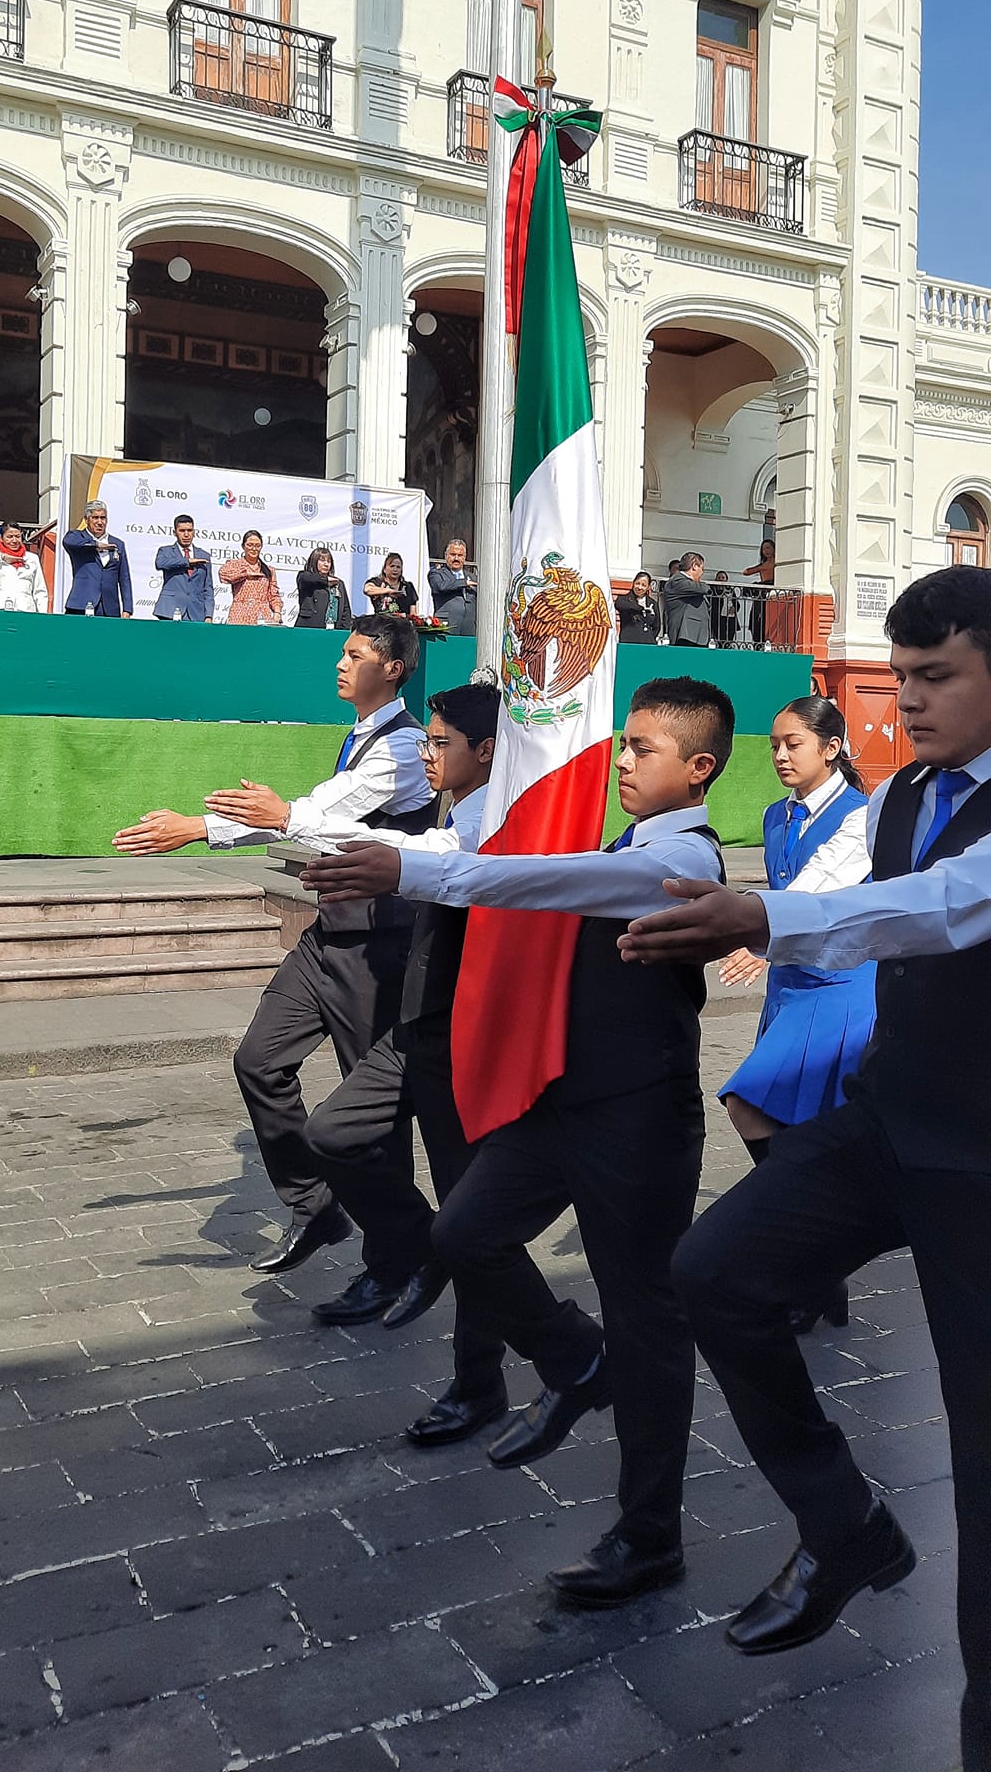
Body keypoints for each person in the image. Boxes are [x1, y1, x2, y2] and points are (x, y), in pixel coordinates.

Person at [619, 566, 991, 1772]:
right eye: (904, 676)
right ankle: (844, 1526)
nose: (911, 701)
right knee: (713, 1268)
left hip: (983, 1164)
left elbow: (941, 909)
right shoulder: (907, 795)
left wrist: (762, 917)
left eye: (938, 676)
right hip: (887, 1123)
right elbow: (900, 924)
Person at [309, 679, 734, 1609]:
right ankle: (577, 1360)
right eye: (620, 745)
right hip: (560, 1106)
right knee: (461, 1236)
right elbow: (518, 856)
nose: (622, 763)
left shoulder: (682, 864)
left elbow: (528, 880)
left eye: (645, 751)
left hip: (639, 1122)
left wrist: (408, 870)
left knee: (647, 1318)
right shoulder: (616, 846)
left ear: (698, 770)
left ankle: (648, 1534)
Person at [112, 616, 437, 1275]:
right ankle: (315, 1206)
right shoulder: (362, 735)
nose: (340, 664)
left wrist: (200, 826)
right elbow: (305, 823)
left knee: (367, 1113)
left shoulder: (401, 749)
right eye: (341, 653)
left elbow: (321, 813)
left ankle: (396, 1259)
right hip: (329, 936)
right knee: (258, 1060)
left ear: (393, 668)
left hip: (378, 947)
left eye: (354, 654)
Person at [301, 684, 510, 1448]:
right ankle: (419, 1245)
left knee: (470, 1220)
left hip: (462, 1037)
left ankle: (477, 1385)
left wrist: (380, 861)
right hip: (417, 1024)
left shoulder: (496, 822)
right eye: (425, 741)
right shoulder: (454, 810)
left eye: (440, 742)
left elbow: (448, 864)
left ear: (484, 752)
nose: (426, 755)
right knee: (331, 1132)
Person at [718, 696, 874, 1332]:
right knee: (800, 1131)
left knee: (748, 1102)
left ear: (830, 749)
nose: (780, 755)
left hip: (839, 987)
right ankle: (820, 1266)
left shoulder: (862, 817)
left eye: (794, 744)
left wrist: (761, 938)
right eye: (775, 744)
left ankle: (812, 1257)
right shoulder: (775, 816)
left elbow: (821, 888)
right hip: (789, 986)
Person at [63, 501, 132, 617]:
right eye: (95, 518)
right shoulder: (77, 537)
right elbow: (68, 541)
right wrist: (96, 545)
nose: (100, 522)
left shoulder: (118, 544)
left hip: (109, 608)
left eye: (103, 518)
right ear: (86, 519)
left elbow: (124, 578)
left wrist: (127, 609)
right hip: (81, 605)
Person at [0, 521, 49, 613]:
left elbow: (40, 590)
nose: (14, 541)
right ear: (1, 538)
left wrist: (42, 614)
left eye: (17, 536)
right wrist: (2, 557)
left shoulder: (31, 558)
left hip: (25, 609)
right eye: (9, 537)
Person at [153, 516, 213, 623]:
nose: (186, 534)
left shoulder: (204, 556)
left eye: (189, 530)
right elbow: (160, 563)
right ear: (175, 532)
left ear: (194, 532)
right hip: (169, 611)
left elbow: (208, 588)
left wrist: (209, 614)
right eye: (182, 531)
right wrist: (188, 561)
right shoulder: (166, 551)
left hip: (196, 613)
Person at [219, 531, 282, 625]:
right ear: (243, 546)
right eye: (250, 545)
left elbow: (274, 595)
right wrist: (245, 574)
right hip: (239, 613)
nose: (254, 549)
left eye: (257, 546)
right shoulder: (235, 565)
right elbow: (223, 575)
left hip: (262, 615)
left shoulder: (269, 570)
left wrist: (277, 612)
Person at [295, 545, 352, 631]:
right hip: (308, 628)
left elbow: (345, 609)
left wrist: (344, 629)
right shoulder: (304, 577)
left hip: (334, 629)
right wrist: (326, 581)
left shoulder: (338, 583)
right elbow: (311, 579)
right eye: (322, 561)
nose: (326, 564)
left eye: (329, 561)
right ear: (314, 562)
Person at [428, 539, 478, 636]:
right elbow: (440, 586)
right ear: (446, 556)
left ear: (465, 557)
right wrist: (464, 582)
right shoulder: (436, 574)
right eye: (453, 554)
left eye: (460, 555)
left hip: (469, 629)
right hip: (446, 627)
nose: (456, 558)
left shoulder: (473, 577)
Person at [662, 552, 710, 647]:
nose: (702, 573)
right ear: (694, 566)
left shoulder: (686, 583)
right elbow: (702, 588)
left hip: (695, 636)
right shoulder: (677, 580)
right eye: (702, 569)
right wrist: (707, 587)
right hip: (685, 635)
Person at [364, 552, 418, 618]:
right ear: (384, 569)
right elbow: (367, 589)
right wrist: (388, 591)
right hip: (382, 624)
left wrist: (404, 616)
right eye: (392, 566)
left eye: (398, 567)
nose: (395, 569)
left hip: (403, 624)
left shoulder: (408, 586)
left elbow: (413, 614)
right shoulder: (377, 582)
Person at [615, 571, 661, 645]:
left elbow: (656, 627)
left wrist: (649, 637)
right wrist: (641, 609)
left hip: (647, 644)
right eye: (637, 583)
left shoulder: (653, 603)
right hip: (628, 642)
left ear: (648, 587)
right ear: (633, 583)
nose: (639, 587)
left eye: (643, 585)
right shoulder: (623, 599)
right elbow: (619, 605)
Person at [709, 572, 739, 647]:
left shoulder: (731, 590)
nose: (721, 579)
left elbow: (737, 604)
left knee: (730, 638)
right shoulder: (713, 590)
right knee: (720, 637)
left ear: (726, 579)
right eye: (719, 578)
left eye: (723, 578)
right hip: (719, 618)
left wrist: (734, 608)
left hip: (730, 617)